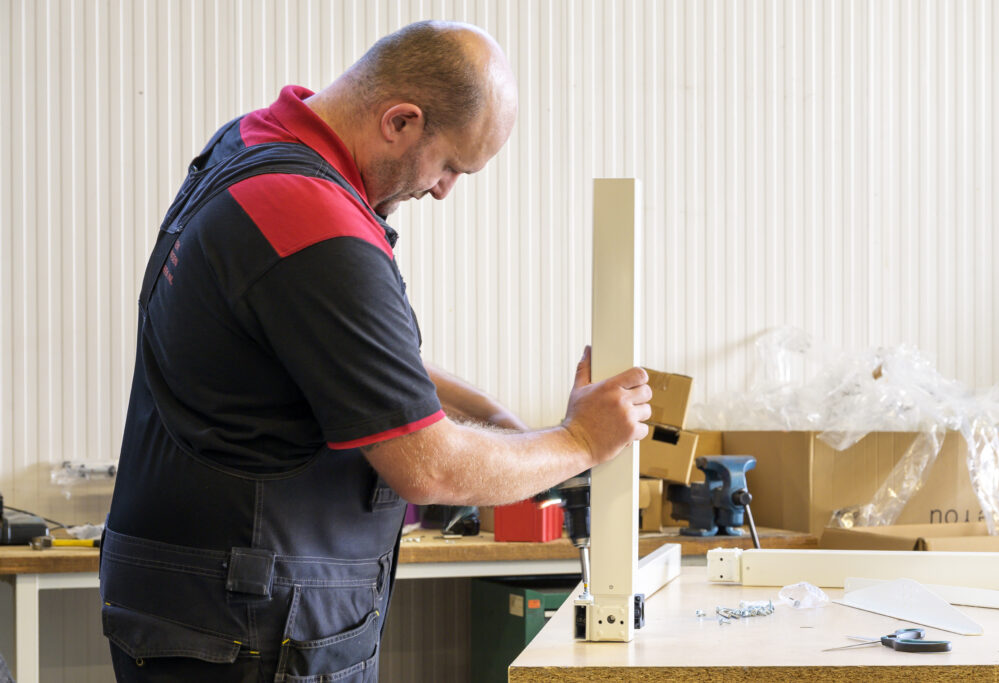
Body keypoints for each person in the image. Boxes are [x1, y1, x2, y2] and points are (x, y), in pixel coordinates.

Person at [100, 20, 651, 682]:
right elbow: (429, 467)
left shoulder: (251, 144)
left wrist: (500, 422)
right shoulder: (311, 220)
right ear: (400, 121)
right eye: (450, 165)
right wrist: (580, 441)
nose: (444, 190)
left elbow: (347, 357)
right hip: (245, 619)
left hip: (196, 600)